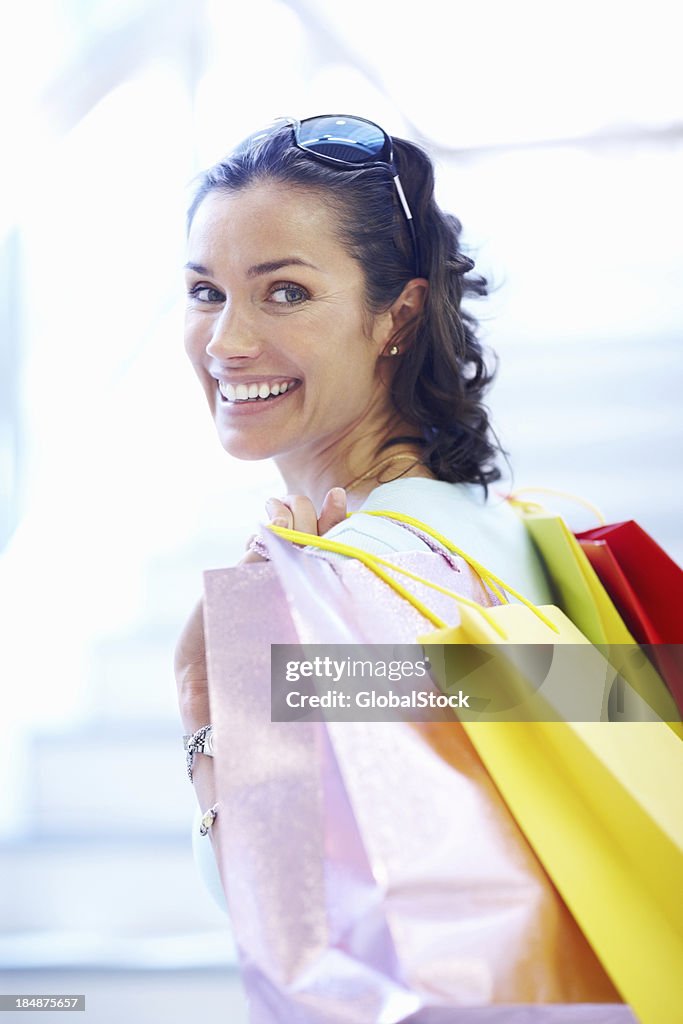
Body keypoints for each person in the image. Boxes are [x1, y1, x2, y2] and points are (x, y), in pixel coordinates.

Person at [173, 115, 621, 1013]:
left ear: (398, 315)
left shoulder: (347, 579)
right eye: (204, 291)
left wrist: (202, 707)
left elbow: (296, 930)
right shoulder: (512, 532)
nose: (225, 341)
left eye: (285, 293)